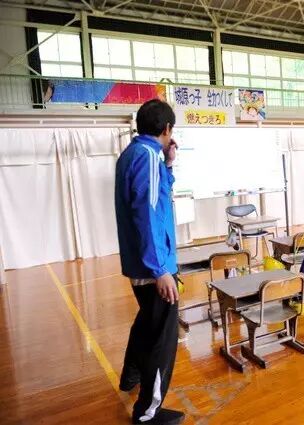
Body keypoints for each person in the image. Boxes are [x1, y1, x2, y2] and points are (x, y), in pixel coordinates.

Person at [115, 99, 184, 425]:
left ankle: (130, 374)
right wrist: (161, 271)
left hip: (141, 262)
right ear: (167, 129)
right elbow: (147, 214)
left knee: (146, 323)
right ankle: (147, 412)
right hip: (153, 266)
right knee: (162, 340)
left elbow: (156, 197)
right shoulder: (146, 156)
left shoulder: (135, 153)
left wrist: (168, 164)